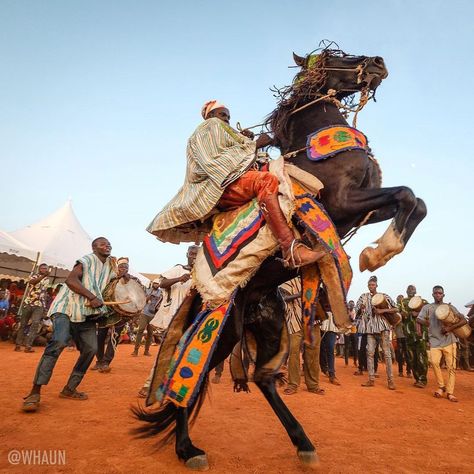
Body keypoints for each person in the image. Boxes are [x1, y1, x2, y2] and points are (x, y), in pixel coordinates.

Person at [146, 100, 325, 269]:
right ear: (210, 116)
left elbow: (235, 156)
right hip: (219, 189)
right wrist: (254, 145)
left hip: (231, 182)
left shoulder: (223, 133)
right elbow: (216, 162)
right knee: (267, 180)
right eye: (222, 114)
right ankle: (290, 248)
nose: (226, 119)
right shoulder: (209, 127)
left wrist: (243, 141)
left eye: (228, 117)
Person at [21, 237, 116, 412]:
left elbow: (112, 287)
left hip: (86, 313)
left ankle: (70, 388)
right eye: (102, 244)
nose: (107, 245)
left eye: (109, 243)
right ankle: (35, 391)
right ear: (94, 248)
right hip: (66, 308)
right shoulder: (87, 260)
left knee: (91, 349)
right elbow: (71, 280)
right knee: (58, 341)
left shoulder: (110, 267)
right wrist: (92, 297)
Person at [138, 245, 198, 398]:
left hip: (193, 321)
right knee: (166, 352)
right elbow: (161, 283)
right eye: (192, 253)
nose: (194, 256)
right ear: (187, 254)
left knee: (187, 356)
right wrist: (179, 278)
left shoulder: (202, 273)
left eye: (197, 254)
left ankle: (175, 387)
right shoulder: (178, 269)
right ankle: (150, 384)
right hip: (174, 318)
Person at [93, 257, 141, 373]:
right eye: (121, 267)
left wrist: (128, 282)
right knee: (100, 337)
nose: (124, 269)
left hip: (121, 315)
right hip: (106, 312)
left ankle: (106, 362)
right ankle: (99, 361)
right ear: (117, 268)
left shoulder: (134, 280)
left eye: (126, 267)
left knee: (113, 338)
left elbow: (139, 296)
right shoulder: (111, 279)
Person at [281, 278, 324, 396]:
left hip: (313, 321)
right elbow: (283, 298)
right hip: (295, 321)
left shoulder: (314, 279)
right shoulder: (290, 280)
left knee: (313, 353)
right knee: (293, 353)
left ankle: (313, 385)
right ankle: (292, 384)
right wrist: (298, 295)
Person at [417, 286, 460, 402]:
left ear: (443, 295)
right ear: (432, 295)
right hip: (435, 340)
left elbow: (463, 320)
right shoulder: (428, 307)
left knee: (451, 367)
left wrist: (450, 328)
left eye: (440, 293)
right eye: (435, 293)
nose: (437, 295)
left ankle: (450, 392)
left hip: (449, 341)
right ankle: (441, 386)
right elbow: (418, 319)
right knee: (434, 363)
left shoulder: (449, 307)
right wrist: (425, 323)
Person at [356, 276, 397, 390]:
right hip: (369, 329)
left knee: (387, 354)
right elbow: (357, 311)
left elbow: (396, 309)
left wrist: (382, 310)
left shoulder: (384, 296)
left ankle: (391, 381)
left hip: (383, 328)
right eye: (369, 285)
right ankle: (371, 379)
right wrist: (361, 308)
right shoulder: (363, 297)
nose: (371, 287)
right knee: (369, 353)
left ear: (376, 285)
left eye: (373, 285)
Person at [14, 263, 50, 353]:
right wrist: (43, 276)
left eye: (46, 268)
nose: (44, 270)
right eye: (42, 268)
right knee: (23, 324)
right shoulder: (33, 276)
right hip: (29, 303)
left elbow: (44, 293)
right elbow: (33, 282)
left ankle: (28, 346)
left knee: (35, 324)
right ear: (39, 269)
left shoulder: (47, 280)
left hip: (39, 305)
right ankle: (18, 345)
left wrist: (44, 307)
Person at [399, 285, 429, 388]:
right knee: (412, 358)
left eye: (413, 289)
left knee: (422, 357)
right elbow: (399, 314)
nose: (411, 291)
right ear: (406, 291)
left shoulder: (423, 301)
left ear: (416, 291)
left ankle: (423, 379)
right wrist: (405, 314)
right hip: (409, 334)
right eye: (409, 289)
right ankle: (417, 378)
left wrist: (418, 313)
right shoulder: (402, 302)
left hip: (421, 334)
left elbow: (429, 315)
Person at [132, 277, 162, 356]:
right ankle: (136, 350)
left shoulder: (161, 292)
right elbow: (143, 300)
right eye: (155, 283)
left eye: (157, 284)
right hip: (145, 313)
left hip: (153, 315)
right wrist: (149, 296)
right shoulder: (147, 290)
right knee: (141, 329)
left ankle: (146, 351)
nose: (156, 285)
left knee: (150, 333)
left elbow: (161, 302)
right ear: (152, 284)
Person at [320, 308, 341, 385]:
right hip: (319, 323)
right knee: (319, 349)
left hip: (332, 326)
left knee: (331, 349)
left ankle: (332, 374)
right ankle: (323, 368)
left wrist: (339, 329)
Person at [394, 294, 411, 377]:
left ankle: (408, 372)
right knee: (400, 354)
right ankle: (400, 371)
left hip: (407, 334)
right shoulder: (395, 310)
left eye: (401, 299)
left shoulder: (407, 309)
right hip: (399, 334)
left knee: (408, 354)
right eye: (398, 299)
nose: (399, 300)